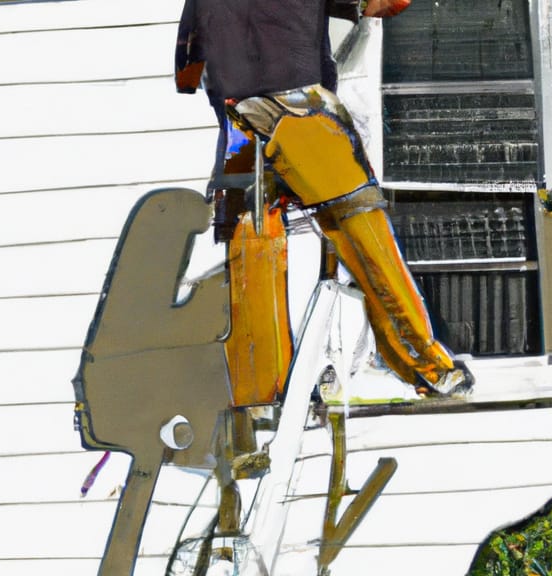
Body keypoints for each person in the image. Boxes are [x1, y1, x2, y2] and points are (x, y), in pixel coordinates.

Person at [175, 0, 470, 406]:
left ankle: (263, 390)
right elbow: (389, 3)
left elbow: (187, 74)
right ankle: (428, 368)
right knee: (365, 235)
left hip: (238, 128)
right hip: (299, 113)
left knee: (251, 252)